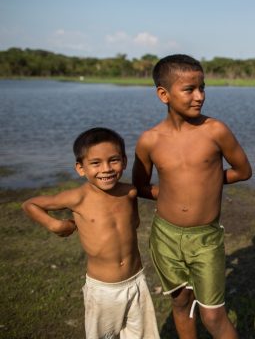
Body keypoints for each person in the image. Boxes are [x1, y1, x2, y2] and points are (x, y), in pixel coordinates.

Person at [132, 54, 252, 339]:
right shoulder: (149, 140)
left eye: (202, 88)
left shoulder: (215, 131)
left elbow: (243, 171)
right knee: (181, 302)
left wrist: (208, 182)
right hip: (165, 236)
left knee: (213, 315)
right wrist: (170, 193)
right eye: (189, 89)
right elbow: (141, 186)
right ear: (163, 94)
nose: (199, 96)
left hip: (205, 238)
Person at [22, 127, 159, 339]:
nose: (106, 169)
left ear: (124, 161)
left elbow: (135, 222)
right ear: (81, 168)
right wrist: (55, 225)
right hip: (103, 289)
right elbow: (30, 204)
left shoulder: (129, 192)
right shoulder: (78, 197)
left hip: (136, 281)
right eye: (96, 163)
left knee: (141, 335)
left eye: (114, 160)